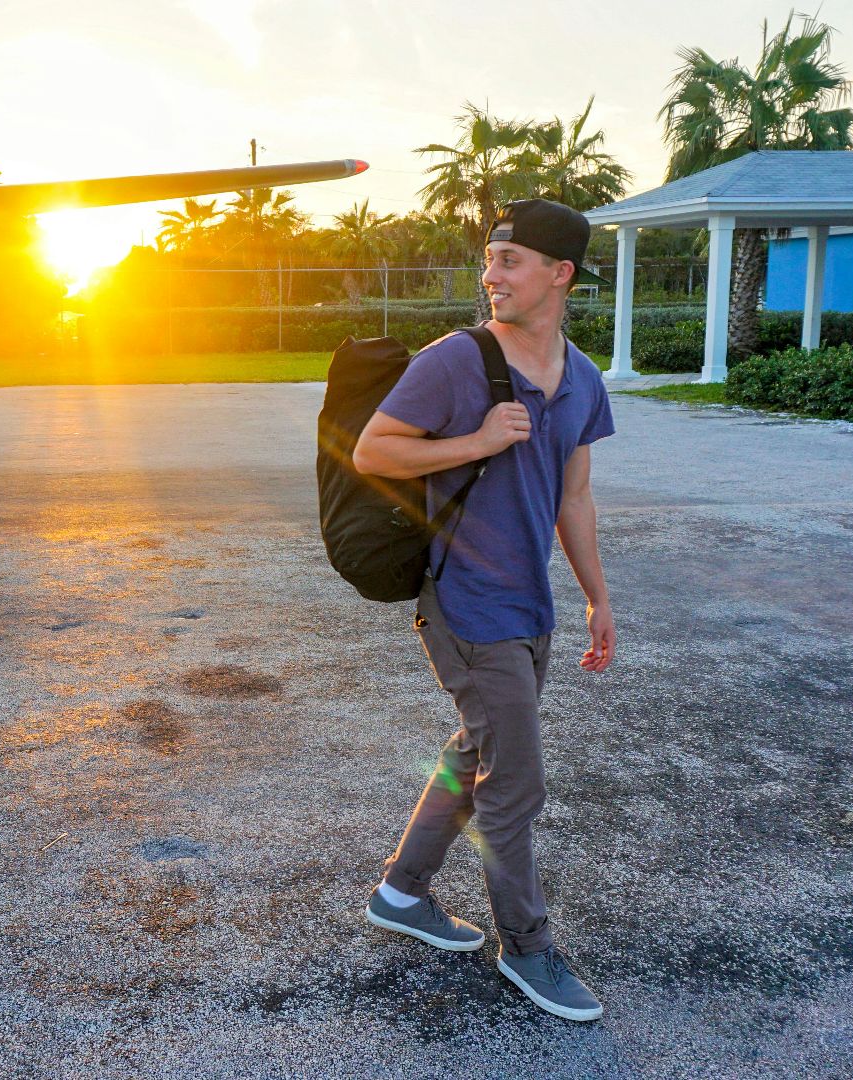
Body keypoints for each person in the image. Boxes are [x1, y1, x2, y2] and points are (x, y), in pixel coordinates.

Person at [348, 199, 616, 1022]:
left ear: (559, 274)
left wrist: (598, 598)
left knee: (476, 752)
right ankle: (528, 948)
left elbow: (574, 496)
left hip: (530, 605)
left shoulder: (582, 377)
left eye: (511, 261)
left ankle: (401, 892)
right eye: (490, 261)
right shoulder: (455, 360)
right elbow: (372, 450)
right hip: (465, 602)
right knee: (515, 783)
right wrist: (477, 442)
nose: (491, 275)